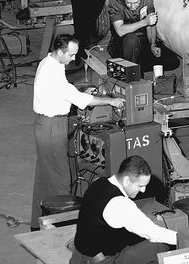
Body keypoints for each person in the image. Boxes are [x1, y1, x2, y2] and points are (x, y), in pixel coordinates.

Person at [30, 34, 124, 230]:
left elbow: (64, 91)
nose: (73, 59)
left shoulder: (48, 63)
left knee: (43, 179)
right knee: (61, 182)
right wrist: (111, 101)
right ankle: (66, 231)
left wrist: (78, 93)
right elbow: (79, 99)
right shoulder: (53, 72)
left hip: (44, 126)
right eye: (71, 55)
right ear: (60, 51)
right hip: (52, 129)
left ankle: (37, 225)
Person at [69, 154, 180, 264]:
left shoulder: (99, 183)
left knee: (137, 242)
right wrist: (185, 239)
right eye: (140, 185)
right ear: (127, 180)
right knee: (161, 247)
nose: (143, 190)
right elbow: (153, 232)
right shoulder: (120, 204)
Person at [106, 0, 161, 68]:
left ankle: (136, 65)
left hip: (141, 40)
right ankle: (131, 72)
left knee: (171, 62)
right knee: (132, 40)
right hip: (122, 43)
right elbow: (120, 31)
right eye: (129, 3)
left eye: (136, 2)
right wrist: (144, 22)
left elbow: (151, 25)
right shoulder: (114, 2)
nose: (133, 6)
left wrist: (153, 45)